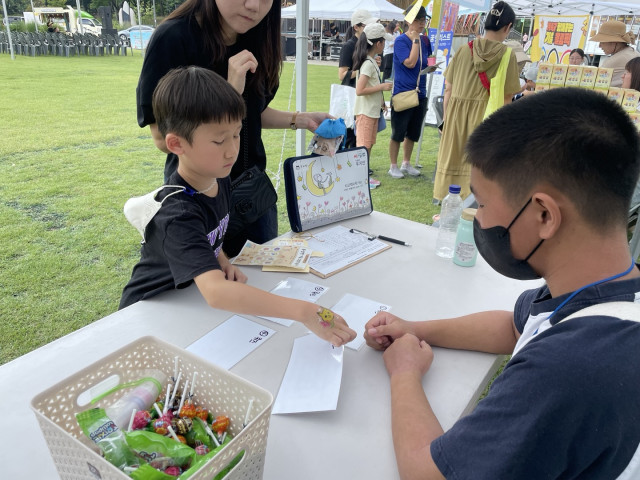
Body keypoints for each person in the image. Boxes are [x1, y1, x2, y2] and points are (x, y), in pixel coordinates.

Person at [365, 87, 640, 478]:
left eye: (482, 202)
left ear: (544, 214)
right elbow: (515, 324)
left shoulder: (568, 370)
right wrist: (413, 328)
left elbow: (428, 473)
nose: (476, 216)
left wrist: (405, 372)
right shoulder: (605, 286)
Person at [121, 67, 356, 348]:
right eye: (219, 140)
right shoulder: (178, 214)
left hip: (188, 305)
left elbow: (210, 234)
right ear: (176, 144)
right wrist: (304, 311)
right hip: (150, 312)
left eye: (236, 134)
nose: (232, 150)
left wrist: (219, 260)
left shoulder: (217, 180)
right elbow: (217, 294)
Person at [136, 0, 331, 258]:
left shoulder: (260, 39)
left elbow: (252, 113)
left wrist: (300, 119)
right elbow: (163, 138)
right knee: (205, 291)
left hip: (253, 197)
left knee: (262, 284)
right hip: (199, 199)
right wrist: (228, 92)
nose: (253, 6)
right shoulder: (174, 38)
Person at [432, 1, 520, 202]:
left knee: (453, 169)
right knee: (478, 172)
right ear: (507, 27)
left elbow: (448, 89)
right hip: (486, 121)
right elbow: (507, 98)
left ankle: (447, 210)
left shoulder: (463, 50)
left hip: (455, 117)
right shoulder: (508, 55)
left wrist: (446, 120)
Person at [388, 6, 432, 179]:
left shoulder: (426, 41)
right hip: (403, 93)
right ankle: (393, 165)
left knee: (413, 131)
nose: (422, 24)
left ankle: (406, 162)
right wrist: (415, 41)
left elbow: (424, 62)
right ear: (409, 21)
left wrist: (431, 66)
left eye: (423, 21)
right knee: (398, 132)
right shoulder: (401, 41)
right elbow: (410, 63)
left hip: (420, 91)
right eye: (419, 21)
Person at [353, 23, 393, 168]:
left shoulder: (371, 61)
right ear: (378, 43)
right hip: (366, 112)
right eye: (384, 42)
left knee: (368, 145)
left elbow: (370, 85)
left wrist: (382, 101)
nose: (385, 45)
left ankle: (365, 175)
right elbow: (360, 90)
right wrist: (382, 87)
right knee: (363, 147)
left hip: (371, 111)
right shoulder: (368, 64)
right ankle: (361, 177)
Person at [338, 9, 378, 150]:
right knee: (352, 135)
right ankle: (354, 166)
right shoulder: (349, 46)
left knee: (365, 137)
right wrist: (363, 69)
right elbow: (342, 75)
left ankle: (362, 164)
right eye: (366, 26)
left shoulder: (369, 44)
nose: (369, 29)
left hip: (367, 98)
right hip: (352, 96)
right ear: (356, 27)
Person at [589, 20, 640, 87]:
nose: (600, 46)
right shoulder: (633, 52)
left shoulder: (618, 58)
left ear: (614, 42)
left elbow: (594, 82)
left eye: (602, 42)